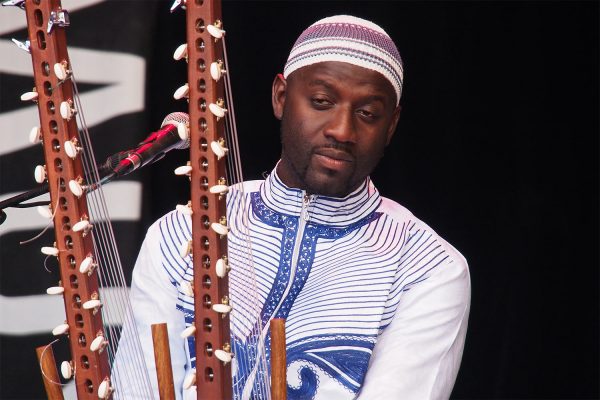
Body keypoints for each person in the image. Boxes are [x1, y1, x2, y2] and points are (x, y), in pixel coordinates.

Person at [114, 15, 470, 400]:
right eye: (321, 102)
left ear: (392, 124)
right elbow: (138, 390)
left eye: (367, 113)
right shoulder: (178, 234)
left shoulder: (428, 269)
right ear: (281, 97)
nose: (342, 130)